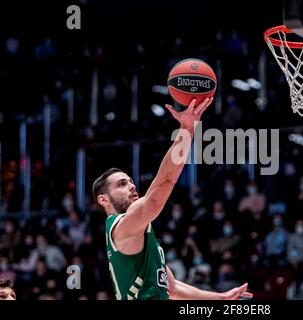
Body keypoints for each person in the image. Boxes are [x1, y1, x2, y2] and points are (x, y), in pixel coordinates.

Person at [92, 98, 252, 300]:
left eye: (131, 181)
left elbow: (173, 288)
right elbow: (166, 180)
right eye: (121, 184)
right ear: (103, 200)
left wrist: (221, 298)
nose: (132, 185)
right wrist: (186, 130)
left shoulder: (141, 232)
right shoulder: (122, 225)